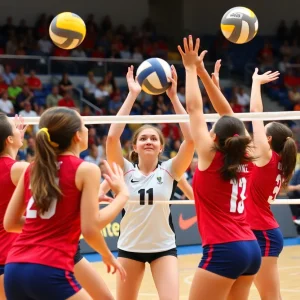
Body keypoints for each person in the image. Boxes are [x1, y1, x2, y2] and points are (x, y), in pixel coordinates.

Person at [4, 107, 128, 300]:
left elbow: (10, 223)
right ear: (77, 136)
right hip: (49, 268)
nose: (88, 129)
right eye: (85, 126)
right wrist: (122, 196)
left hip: (15, 269)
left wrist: (54, 223)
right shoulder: (86, 169)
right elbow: (91, 229)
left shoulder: (33, 169)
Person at [178, 35, 261, 300]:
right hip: (250, 247)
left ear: (214, 138)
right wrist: (201, 73)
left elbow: (194, 109)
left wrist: (191, 69)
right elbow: (229, 118)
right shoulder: (246, 155)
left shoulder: (210, 156)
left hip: (224, 248)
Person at [106, 65, 194, 300]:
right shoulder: (123, 169)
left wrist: (174, 97)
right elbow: (112, 137)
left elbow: (191, 140)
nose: (148, 141)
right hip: (129, 248)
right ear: (134, 146)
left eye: (154, 138)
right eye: (143, 138)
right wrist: (132, 94)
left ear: (161, 146)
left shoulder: (170, 169)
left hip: (163, 248)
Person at [247, 68, 297, 300]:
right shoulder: (275, 161)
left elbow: (255, 111)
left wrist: (256, 83)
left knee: (270, 297)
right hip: (258, 231)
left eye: (261, 133)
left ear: (267, 140)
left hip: (263, 233)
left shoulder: (267, 157)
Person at [0, 113, 28, 300]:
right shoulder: (19, 169)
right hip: (8, 256)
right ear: (9, 139)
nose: (20, 131)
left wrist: (13, 145)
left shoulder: (14, 168)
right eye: (14, 128)